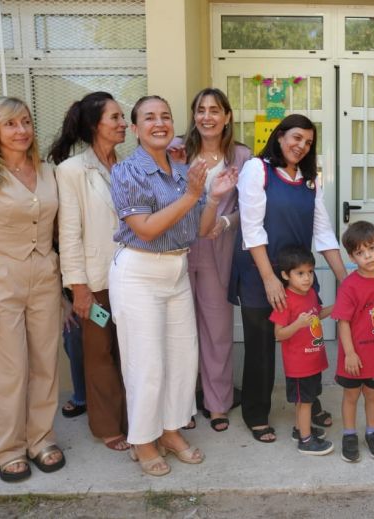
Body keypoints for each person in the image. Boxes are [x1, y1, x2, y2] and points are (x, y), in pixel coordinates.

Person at [109, 95, 237, 476]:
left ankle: (169, 430)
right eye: (149, 117)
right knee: (146, 365)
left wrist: (211, 198)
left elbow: (198, 229)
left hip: (176, 270)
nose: (159, 123)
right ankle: (142, 441)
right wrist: (194, 196)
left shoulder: (183, 169)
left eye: (166, 115)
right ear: (135, 129)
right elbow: (145, 229)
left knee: (182, 360)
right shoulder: (127, 171)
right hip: (139, 274)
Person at [0, 96, 64, 482]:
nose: (21, 131)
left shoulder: (49, 172)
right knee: (9, 370)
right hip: (0, 280)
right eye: (10, 125)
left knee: (45, 365)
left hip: (45, 277)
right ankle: (8, 448)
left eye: (25, 122)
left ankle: (41, 438)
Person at [228, 114, 347, 443]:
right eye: (296, 138)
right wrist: (269, 279)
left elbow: (323, 232)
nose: (301, 146)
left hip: (300, 278)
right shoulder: (258, 169)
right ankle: (256, 413)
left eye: (308, 142)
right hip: (259, 273)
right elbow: (251, 229)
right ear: (279, 137)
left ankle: (309, 403)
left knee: (307, 343)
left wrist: (345, 280)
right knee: (262, 349)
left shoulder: (310, 180)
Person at [49, 91, 129, 451]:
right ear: (96, 125)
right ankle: (107, 426)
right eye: (115, 118)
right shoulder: (71, 171)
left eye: (123, 117)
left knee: (130, 352)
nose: (123, 123)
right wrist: (77, 288)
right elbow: (68, 233)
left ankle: (133, 419)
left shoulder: (125, 165)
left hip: (131, 277)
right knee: (99, 355)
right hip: (95, 282)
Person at [177, 88, 251, 432]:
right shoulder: (177, 150)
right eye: (201, 110)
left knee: (217, 329)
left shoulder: (241, 156)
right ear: (194, 116)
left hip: (219, 246)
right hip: (177, 246)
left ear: (227, 116)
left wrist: (225, 222)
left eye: (215, 110)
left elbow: (247, 208)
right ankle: (183, 405)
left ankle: (217, 402)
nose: (207, 116)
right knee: (178, 329)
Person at [332, 221, 374, 463]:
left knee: (373, 395)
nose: (367, 256)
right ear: (352, 257)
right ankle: (349, 435)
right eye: (360, 253)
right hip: (354, 356)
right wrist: (349, 353)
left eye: (371, 248)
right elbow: (343, 322)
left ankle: (372, 432)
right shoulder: (349, 286)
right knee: (351, 396)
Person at [270, 245, 334, 455]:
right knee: (305, 402)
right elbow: (278, 334)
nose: (307, 278)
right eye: (300, 273)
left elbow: (316, 314)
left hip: (314, 359)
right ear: (285, 275)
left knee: (306, 400)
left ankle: (300, 429)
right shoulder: (285, 301)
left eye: (310, 272)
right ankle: (306, 441)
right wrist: (298, 324)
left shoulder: (311, 294)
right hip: (298, 365)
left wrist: (337, 307)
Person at [61, 295, 86, 418]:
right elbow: (55, 280)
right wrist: (66, 304)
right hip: (74, 301)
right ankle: (81, 395)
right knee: (72, 332)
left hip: (104, 292)